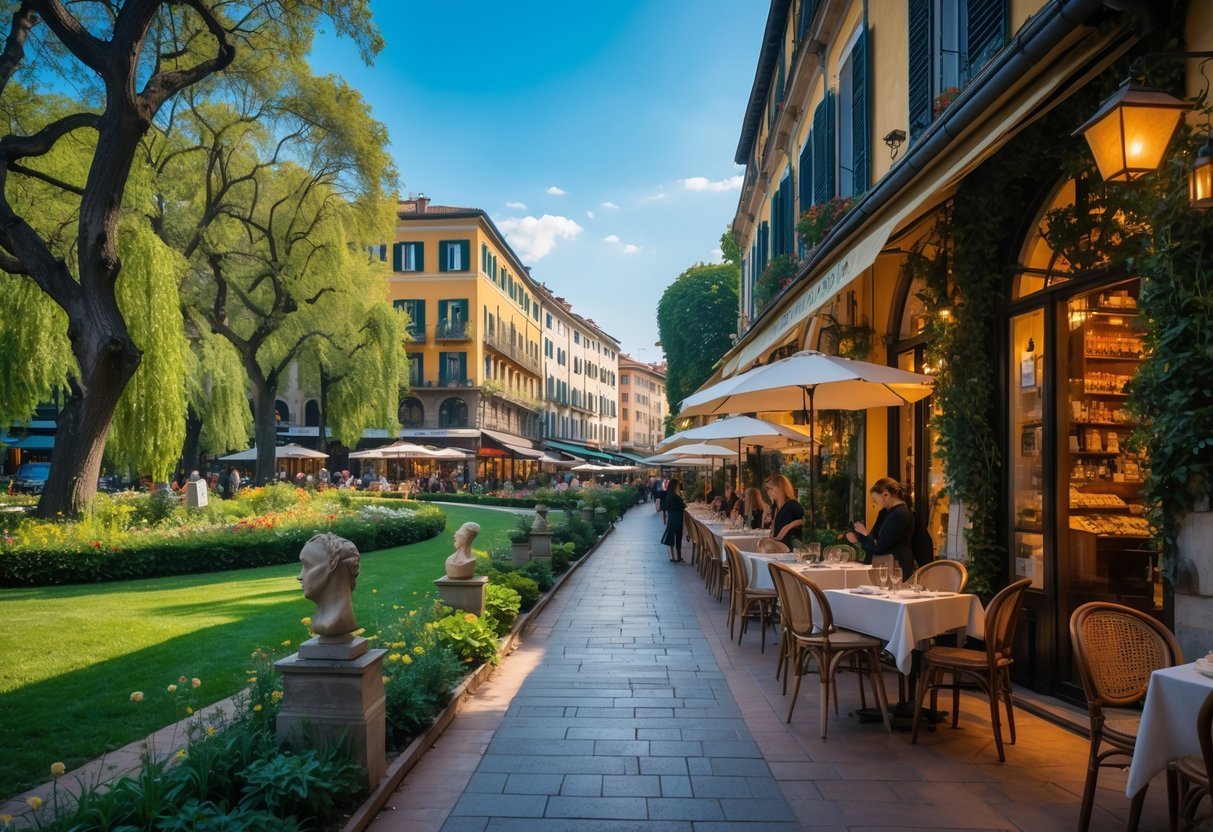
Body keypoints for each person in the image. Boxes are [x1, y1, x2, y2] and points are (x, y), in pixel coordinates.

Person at [845, 476, 915, 575]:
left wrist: (860, 537)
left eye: (875, 500)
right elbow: (876, 539)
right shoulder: (887, 512)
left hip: (895, 566)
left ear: (885, 494)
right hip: (890, 564)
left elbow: (880, 547)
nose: (875, 503)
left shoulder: (898, 514)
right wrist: (871, 540)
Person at [297, 532, 361, 637]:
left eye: (307, 566)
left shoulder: (335, 623)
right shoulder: (323, 622)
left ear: (333, 564)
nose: (299, 576)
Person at [764, 474, 805, 546]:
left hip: (791, 547)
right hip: (778, 546)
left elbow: (805, 520)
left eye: (771, 488)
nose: (768, 492)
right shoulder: (774, 507)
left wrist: (789, 526)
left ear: (780, 489)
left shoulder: (792, 505)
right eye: (767, 489)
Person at [660, 478, 688, 563]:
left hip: (672, 517)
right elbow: (683, 506)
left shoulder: (669, 494)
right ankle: (678, 557)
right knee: (678, 536)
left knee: (671, 536)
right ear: (675, 486)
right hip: (677, 517)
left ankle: (673, 556)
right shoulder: (676, 496)